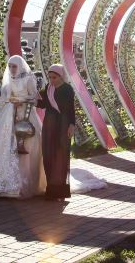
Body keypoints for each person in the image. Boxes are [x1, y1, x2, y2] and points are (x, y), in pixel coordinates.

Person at [0, 55, 46, 199]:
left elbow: (35, 98)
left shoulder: (29, 79)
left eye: (14, 66)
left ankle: (23, 185)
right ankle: (2, 182)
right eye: (9, 66)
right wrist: (10, 102)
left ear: (20, 66)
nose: (11, 69)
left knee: (26, 147)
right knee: (4, 147)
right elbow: (2, 100)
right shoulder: (7, 81)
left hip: (25, 117)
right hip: (8, 118)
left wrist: (21, 101)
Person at [36, 64, 76, 200]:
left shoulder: (67, 89)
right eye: (50, 77)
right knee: (48, 156)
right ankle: (51, 190)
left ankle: (60, 191)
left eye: (55, 77)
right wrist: (32, 98)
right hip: (49, 125)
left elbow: (71, 109)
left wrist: (72, 125)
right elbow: (42, 104)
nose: (52, 80)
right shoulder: (48, 88)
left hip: (63, 126)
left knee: (60, 158)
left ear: (61, 76)